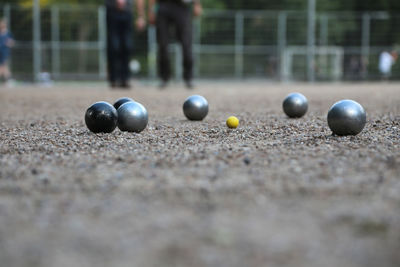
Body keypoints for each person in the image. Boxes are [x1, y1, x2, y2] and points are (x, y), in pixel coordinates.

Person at [148, 0, 202, 89]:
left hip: (182, 6)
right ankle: (164, 77)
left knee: (186, 43)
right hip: (163, 5)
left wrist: (197, 4)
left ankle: (189, 77)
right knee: (163, 44)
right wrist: (151, 10)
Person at [105, 0, 145, 89]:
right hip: (112, 10)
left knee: (127, 46)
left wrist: (140, 16)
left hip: (127, 12)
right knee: (114, 46)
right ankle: (113, 78)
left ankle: (125, 79)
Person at [0, 19, 15, 85]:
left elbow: (12, 42)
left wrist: (9, 43)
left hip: (5, 51)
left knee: (4, 66)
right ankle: (8, 79)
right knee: (3, 66)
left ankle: (8, 80)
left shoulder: (8, 33)